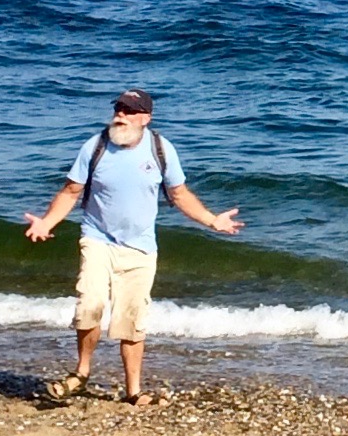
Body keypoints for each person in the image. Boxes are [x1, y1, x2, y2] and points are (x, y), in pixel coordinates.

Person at [23, 89, 243, 405]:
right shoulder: (95, 146)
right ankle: (81, 374)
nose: (121, 115)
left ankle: (133, 391)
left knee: (131, 319)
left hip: (140, 248)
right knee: (89, 305)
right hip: (97, 239)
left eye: (129, 110)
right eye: (119, 108)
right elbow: (71, 191)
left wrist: (212, 221)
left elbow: (179, 195)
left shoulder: (160, 149)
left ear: (145, 118)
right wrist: (47, 222)